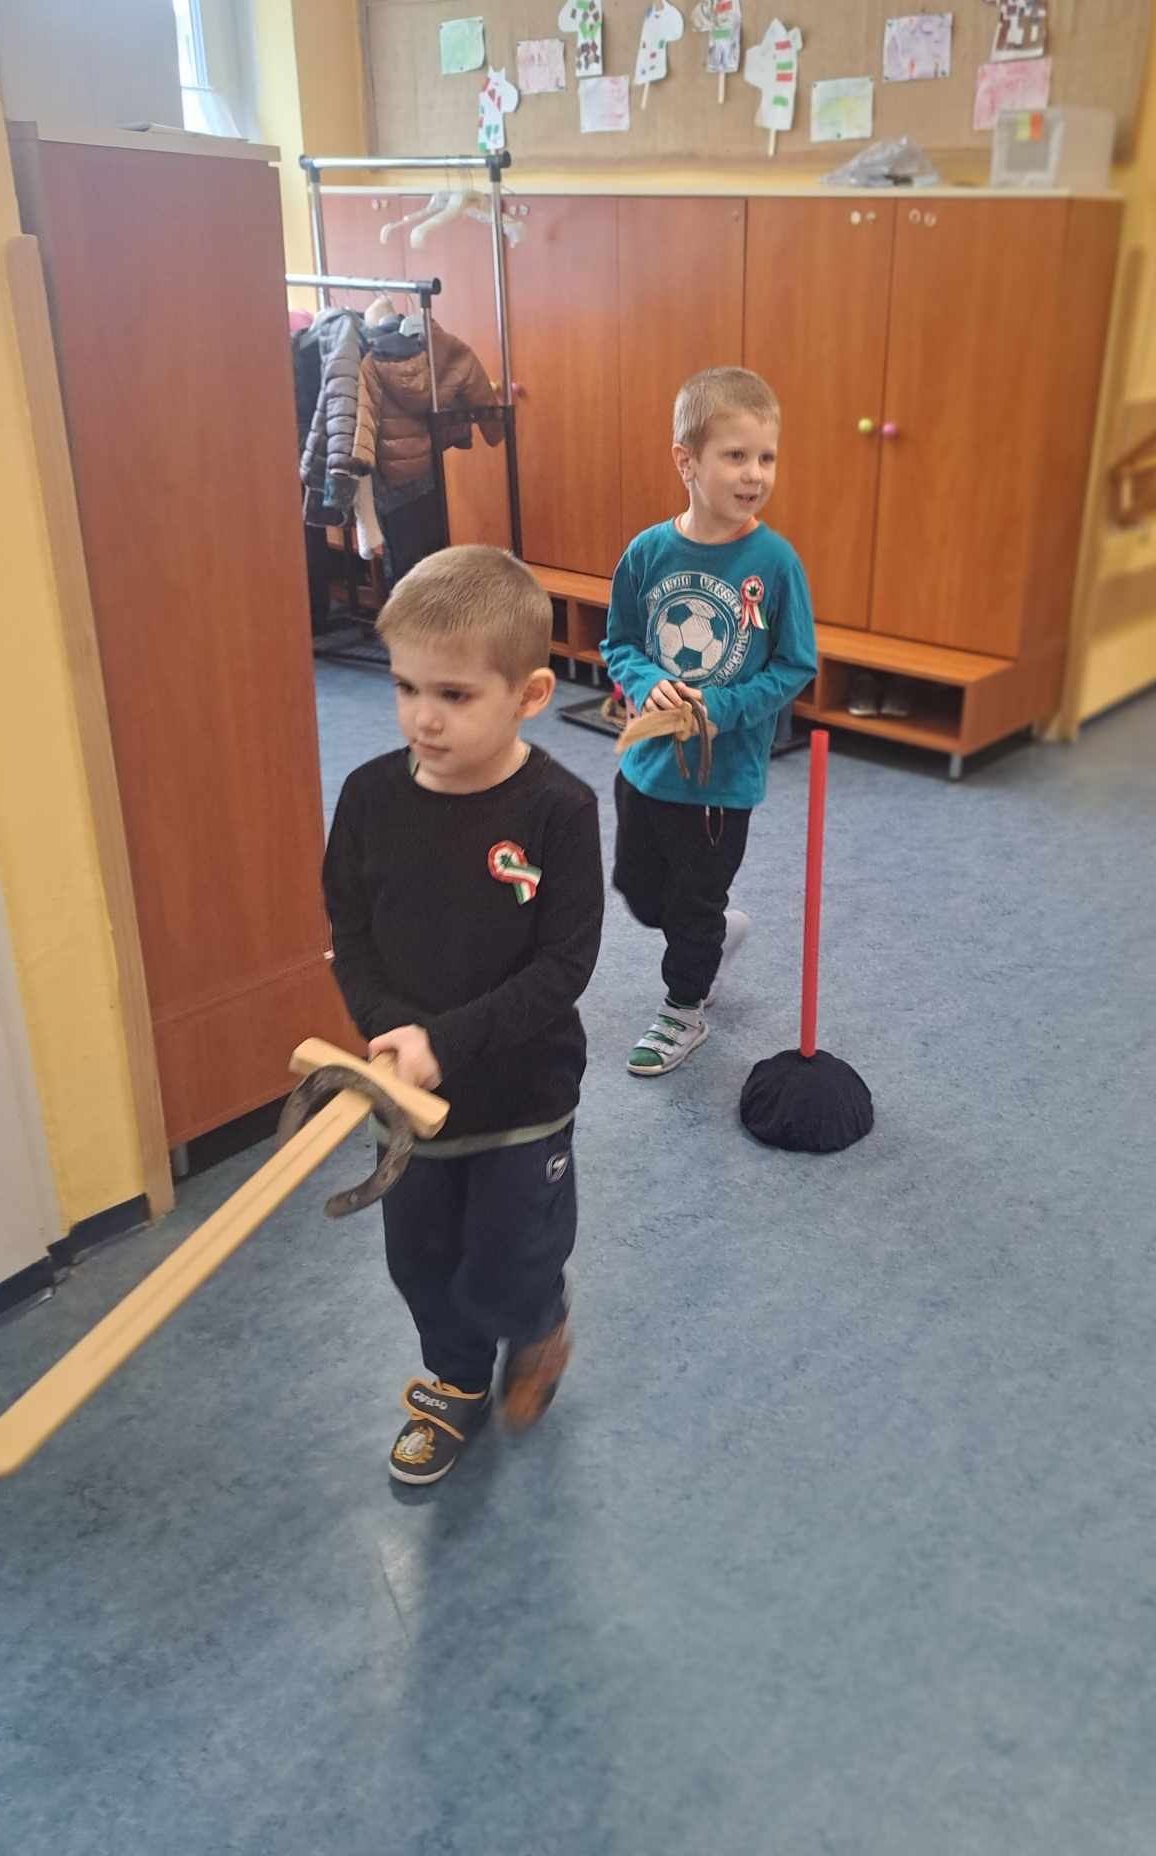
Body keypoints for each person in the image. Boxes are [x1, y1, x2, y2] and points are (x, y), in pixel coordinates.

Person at [323, 546, 603, 1484]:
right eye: (406, 687)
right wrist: (390, 1032)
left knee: (511, 1261)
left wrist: (446, 1042)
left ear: (529, 695)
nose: (422, 718)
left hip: (523, 1094)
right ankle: (454, 1383)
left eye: (453, 694)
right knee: (422, 1260)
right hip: (406, 1099)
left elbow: (564, 967)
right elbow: (350, 935)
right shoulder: (369, 799)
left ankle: (538, 1326)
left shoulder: (559, 810)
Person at [602, 367, 817, 1077]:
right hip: (644, 766)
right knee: (641, 893)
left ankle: (684, 1008)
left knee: (693, 904)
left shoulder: (775, 564)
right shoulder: (648, 553)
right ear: (686, 460)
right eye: (736, 455)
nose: (755, 473)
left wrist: (721, 709)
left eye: (767, 457)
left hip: (719, 783)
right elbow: (619, 642)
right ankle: (713, 934)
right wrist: (646, 681)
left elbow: (795, 665)